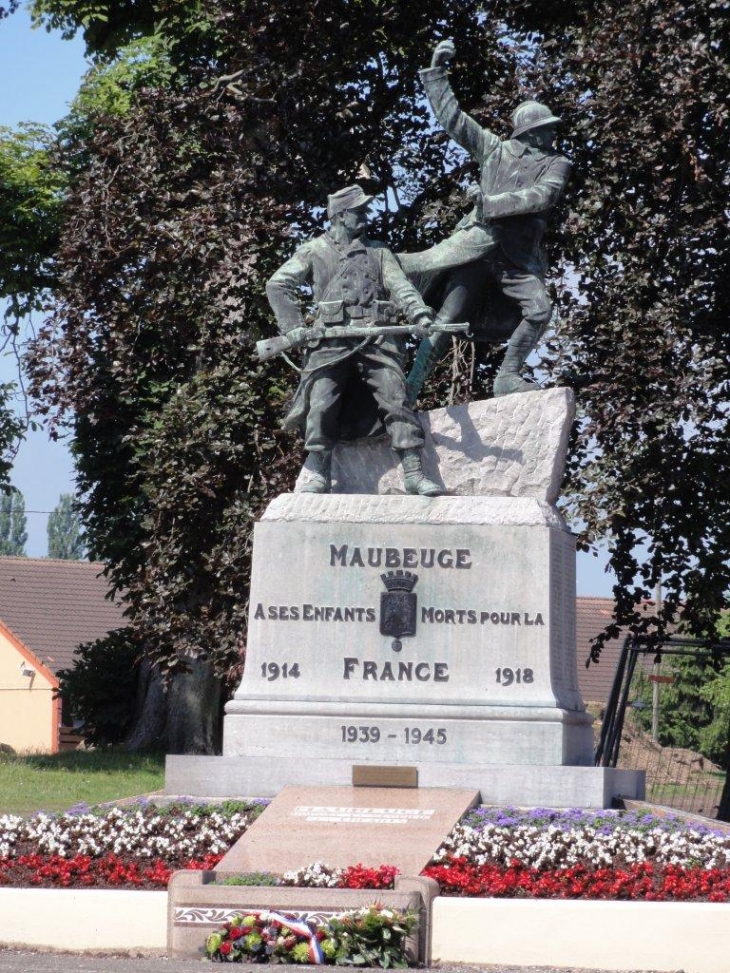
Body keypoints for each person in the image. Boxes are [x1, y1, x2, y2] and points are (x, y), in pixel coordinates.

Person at [403, 38, 571, 403]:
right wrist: (436, 73)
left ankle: (507, 376)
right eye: (547, 128)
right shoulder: (495, 150)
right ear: (530, 131)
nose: (553, 134)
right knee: (447, 317)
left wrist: (490, 203)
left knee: (539, 311)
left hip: (515, 258)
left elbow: (543, 197)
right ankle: (409, 388)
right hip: (477, 248)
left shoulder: (556, 163)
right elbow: (453, 120)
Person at [265, 184, 441, 496]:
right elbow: (278, 284)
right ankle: (320, 472)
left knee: (396, 398)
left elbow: (401, 288)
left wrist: (420, 315)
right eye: (358, 211)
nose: (365, 216)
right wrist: (292, 327)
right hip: (330, 342)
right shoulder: (314, 251)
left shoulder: (380, 253)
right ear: (340, 216)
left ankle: (413, 473)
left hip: (375, 338)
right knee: (321, 401)